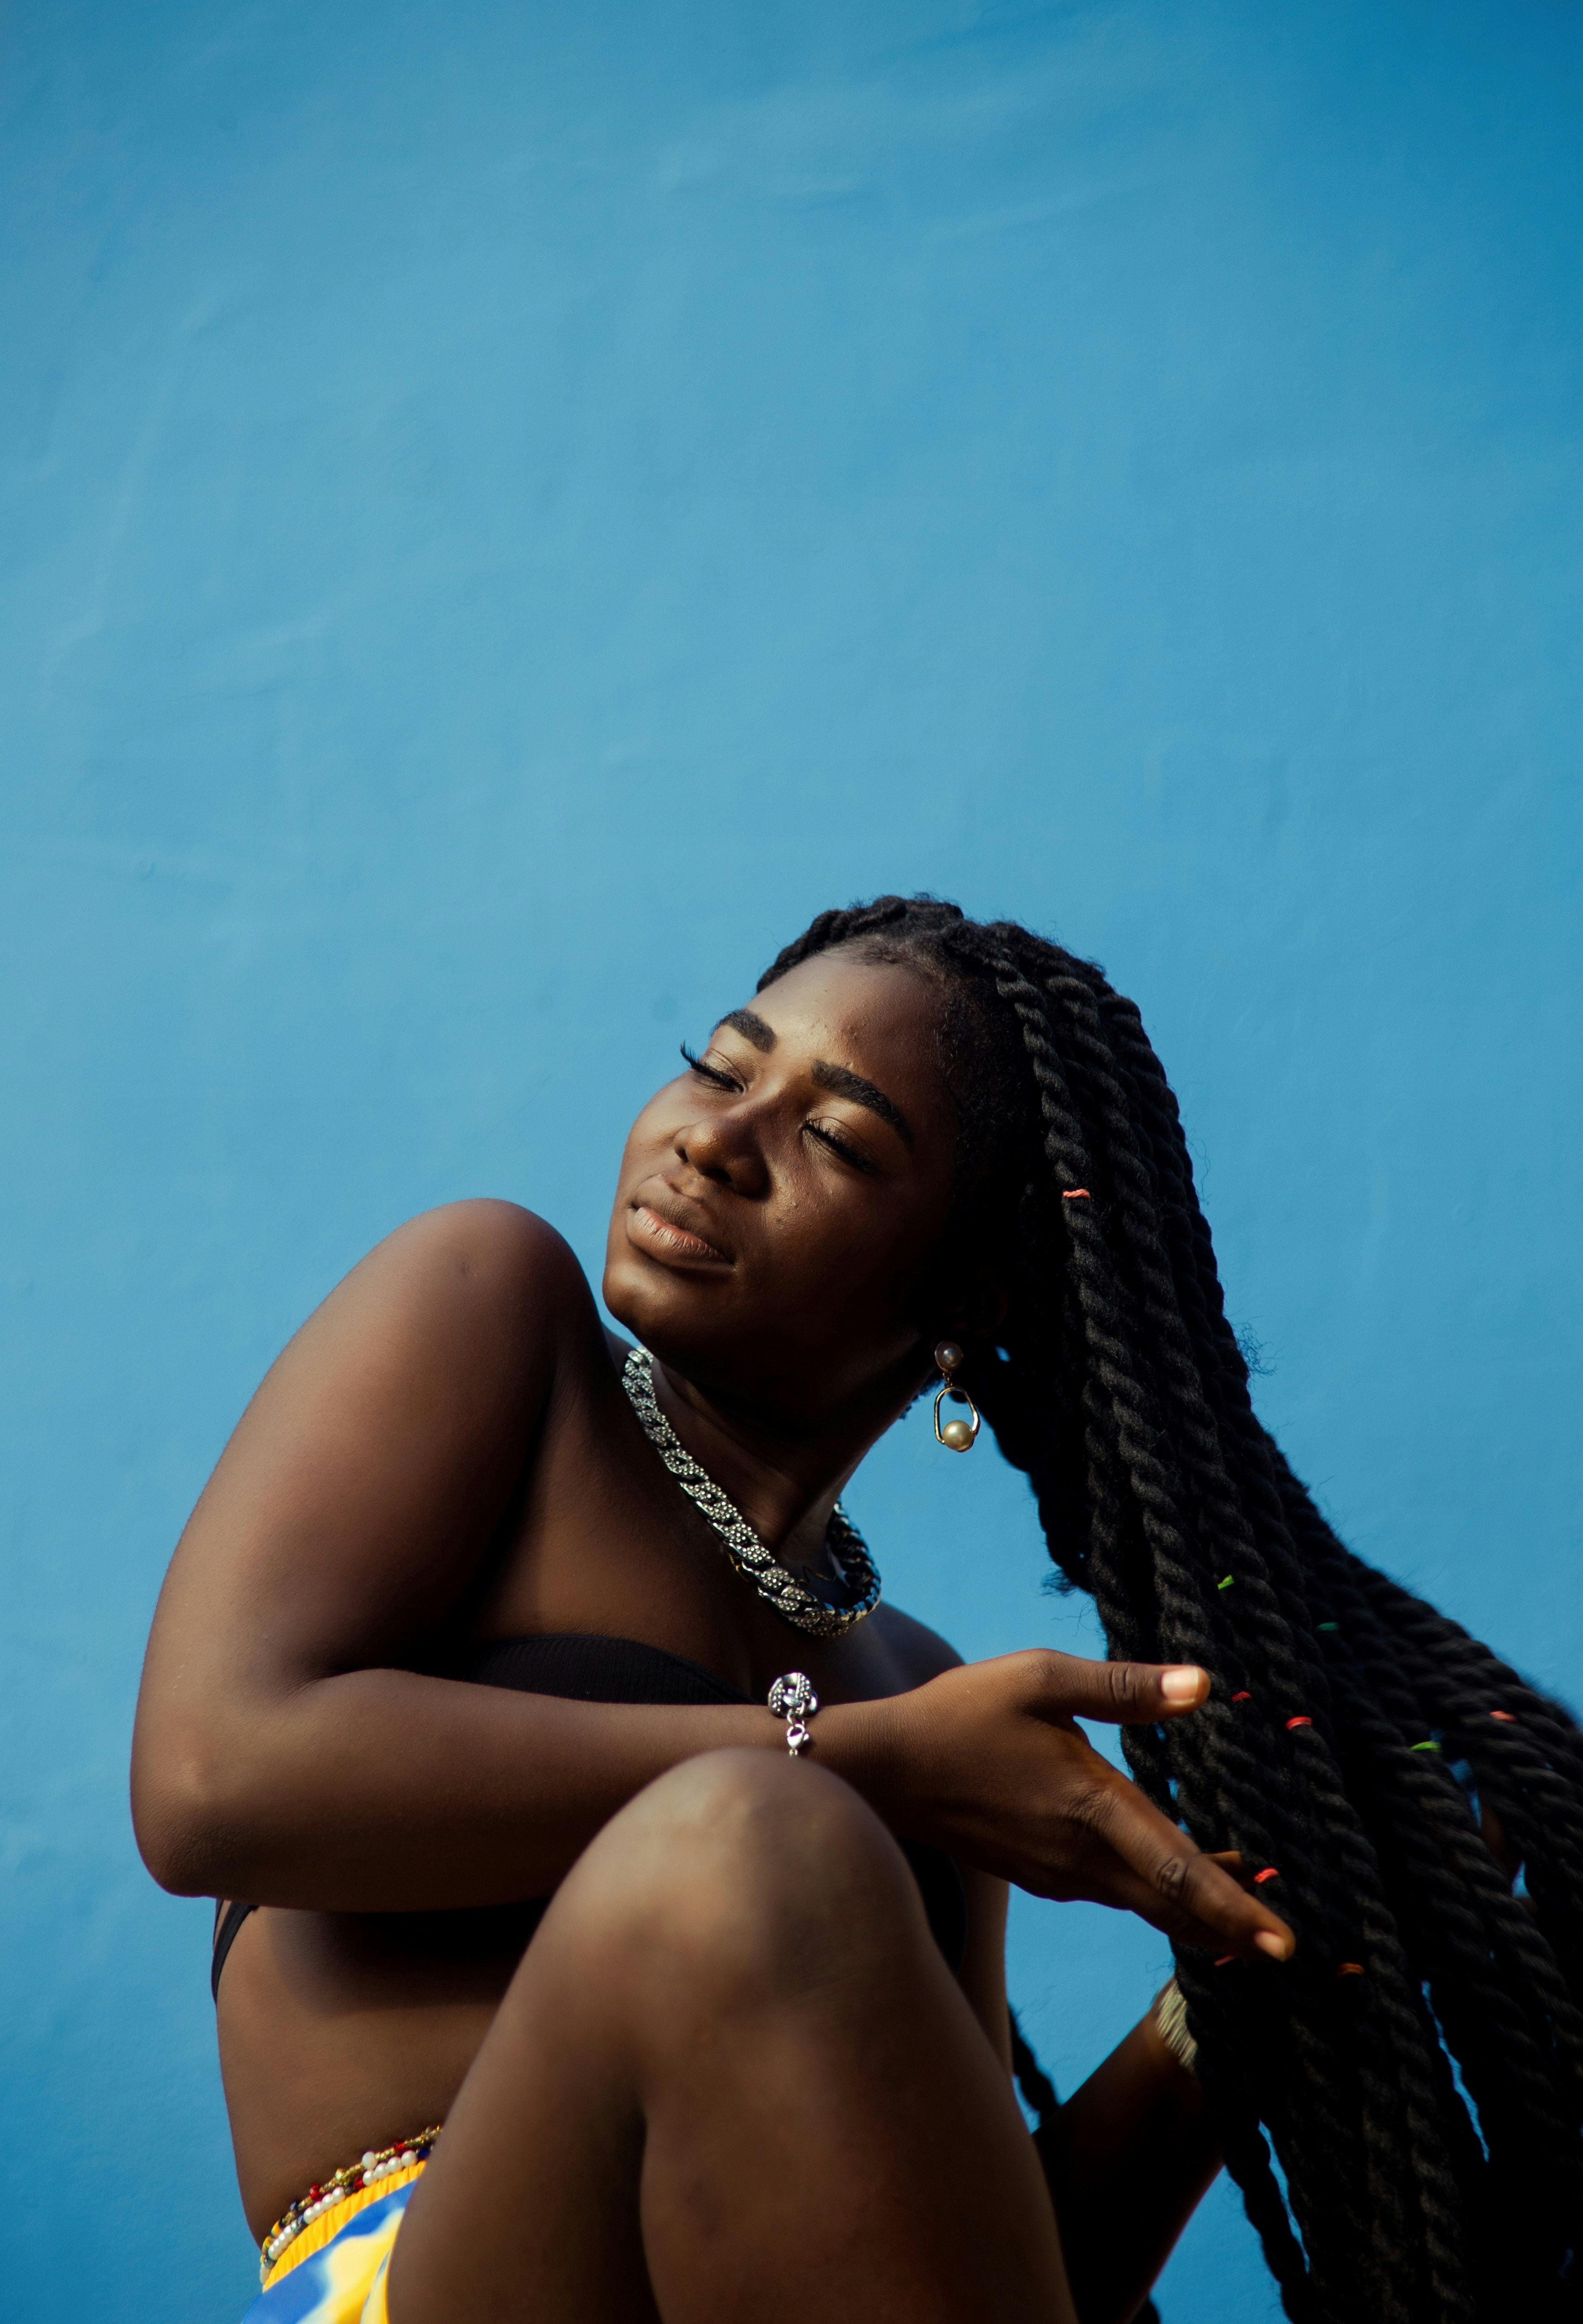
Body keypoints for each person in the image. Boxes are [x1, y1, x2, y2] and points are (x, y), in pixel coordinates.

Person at [132, 896, 1582, 2324]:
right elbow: (210, 1782)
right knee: (750, 1842)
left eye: (830, 1137)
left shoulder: (919, 1680)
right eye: (718, 1065)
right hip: (447, 2280)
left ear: (966, 1297)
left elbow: (986, 2270)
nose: (711, 1138)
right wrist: (861, 1759)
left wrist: (1244, 1974)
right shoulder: (495, 1312)